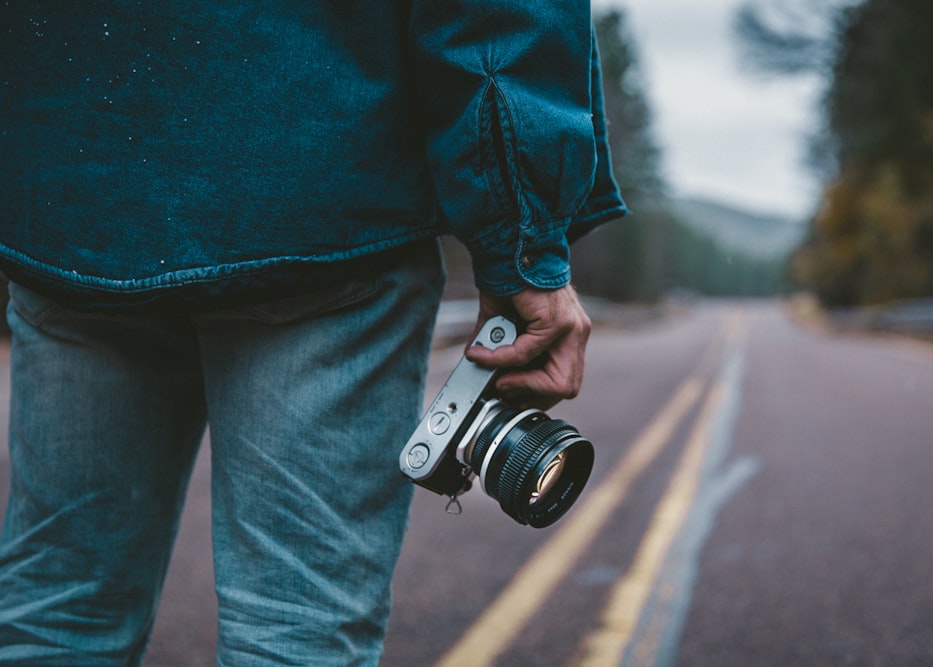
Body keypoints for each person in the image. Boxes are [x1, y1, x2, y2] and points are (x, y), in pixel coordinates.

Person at [0, 1, 626, 665]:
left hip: (75, 195)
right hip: (320, 187)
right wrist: (523, 246)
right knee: (295, 628)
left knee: (59, 609)